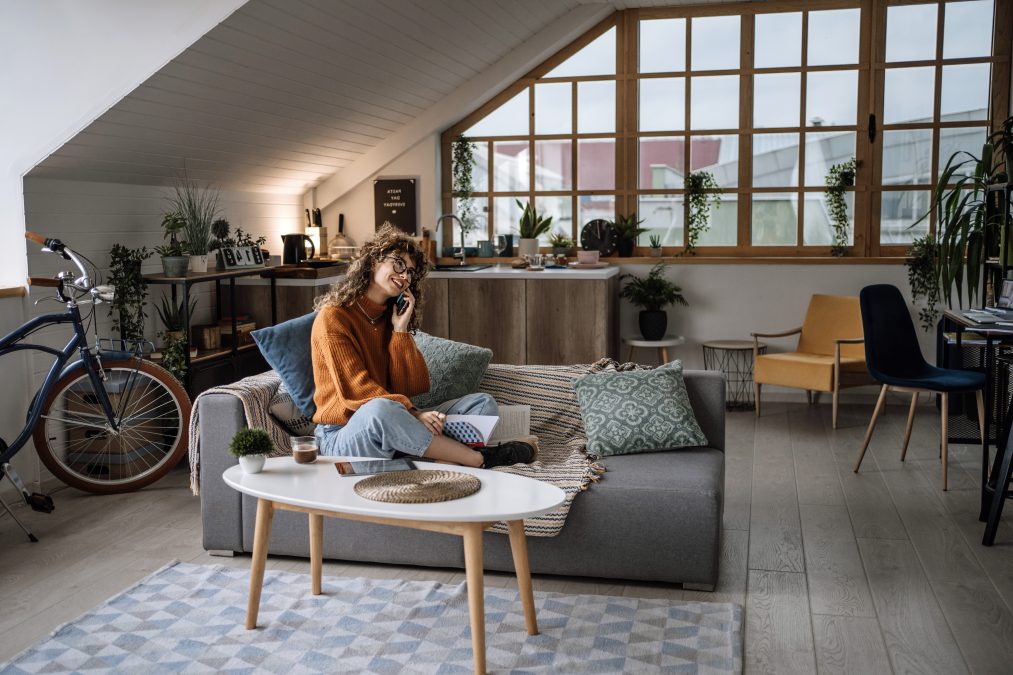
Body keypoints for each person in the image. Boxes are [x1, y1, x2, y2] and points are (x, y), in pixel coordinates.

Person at [310, 224, 535, 469]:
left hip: (398, 421)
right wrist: (415, 414)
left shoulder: (391, 318)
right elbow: (357, 391)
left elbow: (411, 386)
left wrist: (400, 331)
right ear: (374, 260)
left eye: (410, 272)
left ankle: (432, 460)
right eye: (398, 264)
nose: (405, 276)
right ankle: (476, 458)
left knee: (482, 404)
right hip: (344, 435)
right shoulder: (334, 316)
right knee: (380, 410)